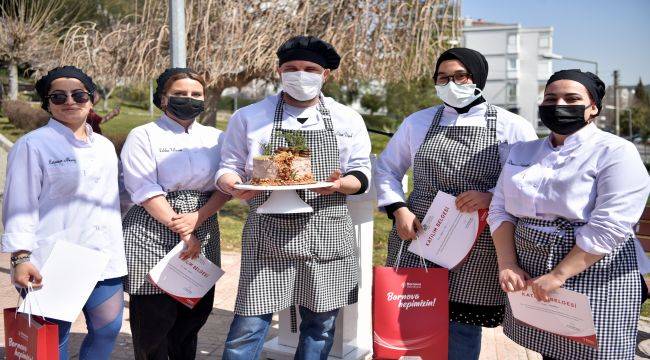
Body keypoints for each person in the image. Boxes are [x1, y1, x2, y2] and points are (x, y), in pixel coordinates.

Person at [375, 48, 537, 359]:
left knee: (461, 324)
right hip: (419, 232)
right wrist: (399, 210)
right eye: (443, 77)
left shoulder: (511, 125)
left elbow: (528, 182)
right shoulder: (417, 122)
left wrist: (491, 195)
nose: (451, 83)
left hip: (475, 241)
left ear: (478, 78)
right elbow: (386, 169)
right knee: (410, 312)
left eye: (460, 76)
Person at [216, 35, 372, 359]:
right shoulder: (248, 116)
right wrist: (234, 185)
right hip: (268, 236)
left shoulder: (347, 119)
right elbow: (227, 166)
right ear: (278, 71)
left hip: (326, 235)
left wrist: (341, 184)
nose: (301, 74)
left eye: (310, 68)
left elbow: (362, 173)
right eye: (292, 68)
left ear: (325, 74)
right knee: (247, 327)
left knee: (320, 327)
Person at [489, 69, 650, 359]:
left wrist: (559, 275)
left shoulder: (616, 152)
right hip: (531, 269)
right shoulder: (522, 151)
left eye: (571, 98)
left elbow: (610, 225)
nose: (559, 105)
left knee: (596, 352)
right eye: (550, 98)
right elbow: (500, 209)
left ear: (593, 108)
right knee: (551, 350)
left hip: (595, 270)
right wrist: (508, 263)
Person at [2, 66, 127, 359]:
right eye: (58, 96)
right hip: (54, 261)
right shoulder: (32, 146)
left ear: (91, 99)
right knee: (51, 340)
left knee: (108, 329)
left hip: (103, 257)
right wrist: (20, 258)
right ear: (47, 104)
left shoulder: (105, 147)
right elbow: (19, 205)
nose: (70, 101)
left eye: (78, 94)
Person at [120, 67, 230, 360]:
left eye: (196, 94)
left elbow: (226, 184)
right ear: (163, 98)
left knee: (193, 315)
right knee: (154, 321)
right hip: (151, 230)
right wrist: (184, 230)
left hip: (204, 227)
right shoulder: (143, 135)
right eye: (179, 94)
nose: (189, 99)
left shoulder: (216, 138)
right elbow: (144, 189)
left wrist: (199, 218)